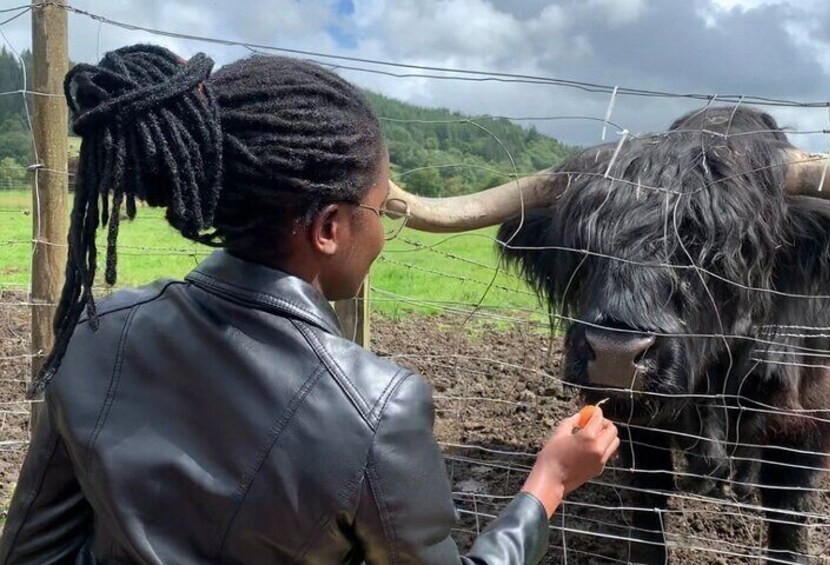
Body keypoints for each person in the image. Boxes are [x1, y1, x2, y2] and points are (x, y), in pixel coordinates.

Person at [0, 45, 619, 564]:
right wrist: (550, 481)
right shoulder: (378, 410)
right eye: (377, 210)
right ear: (328, 229)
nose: (380, 234)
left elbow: (32, 551)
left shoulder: (96, 332)